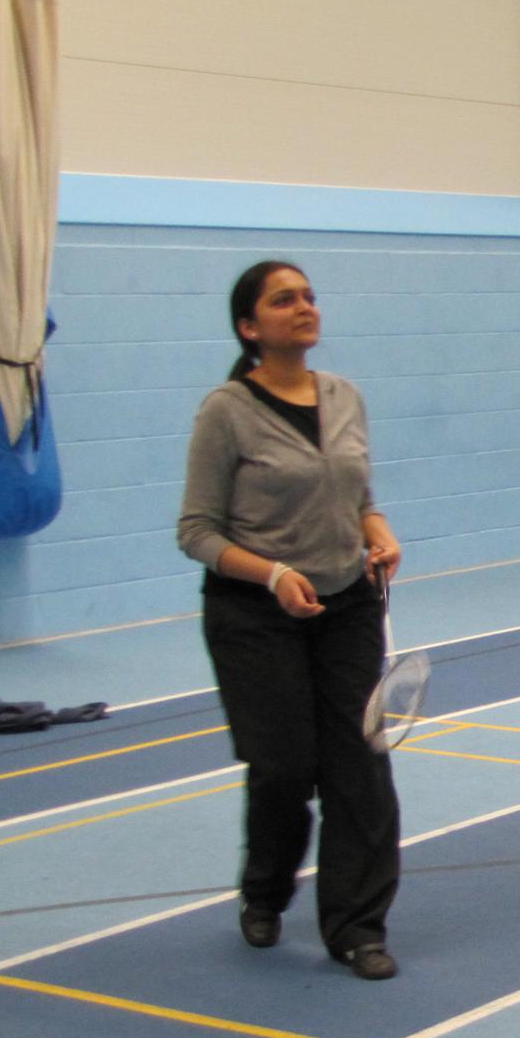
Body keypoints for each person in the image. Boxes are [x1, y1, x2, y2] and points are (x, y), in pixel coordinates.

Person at [177, 262, 404, 981]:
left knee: (360, 769)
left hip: (347, 607)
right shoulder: (226, 410)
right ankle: (265, 890)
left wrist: (378, 530)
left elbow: (359, 493)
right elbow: (197, 532)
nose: (304, 306)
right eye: (284, 300)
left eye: (308, 295)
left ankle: (357, 928)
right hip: (255, 615)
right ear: (250, 327)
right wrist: (273, 575)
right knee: (282, 769)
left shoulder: (345, 397)